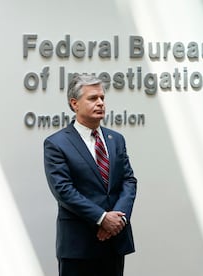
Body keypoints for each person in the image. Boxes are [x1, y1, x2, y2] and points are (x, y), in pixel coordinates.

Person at [43, 74, 137, 276]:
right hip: (79, 246)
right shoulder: (57, 143)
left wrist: (117, 220)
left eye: (102, 98)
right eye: (93, 98)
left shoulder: (116, 139)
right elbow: (63, 190)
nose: (101, 103)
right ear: (74, 104)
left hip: (114, 243)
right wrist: (102, 218)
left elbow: (128, 181)